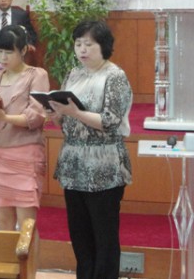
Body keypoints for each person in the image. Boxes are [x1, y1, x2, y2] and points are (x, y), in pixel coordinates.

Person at [49, 20, 132, 279]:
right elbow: (67, 121)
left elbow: (111, 121)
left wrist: (75, 112)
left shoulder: (114, 76)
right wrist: (58, 115)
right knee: (80, 235)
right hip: (74, 163)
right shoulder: (74, 74)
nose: (82, 50)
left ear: (103, 46)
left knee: (104, 237)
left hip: (103, 165)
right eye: (78, 44)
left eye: (89, 44)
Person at [0, 25, 49, 230]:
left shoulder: (37, 75)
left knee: (26, 224)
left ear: (23, 50)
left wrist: (4, 117)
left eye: (9, 52)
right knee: (3, 221)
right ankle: (8, 254)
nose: (3, 57)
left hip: (26, 153)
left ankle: (27, 254)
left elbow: (36, 116)